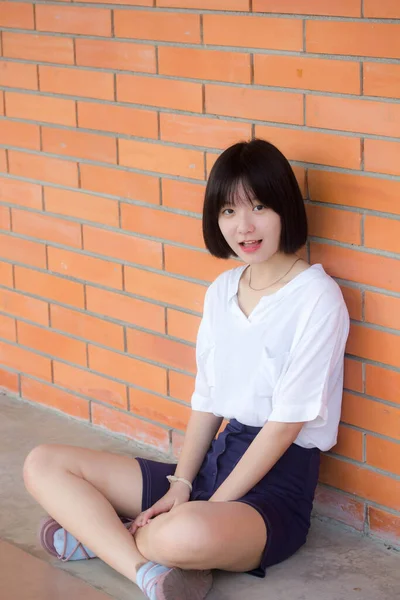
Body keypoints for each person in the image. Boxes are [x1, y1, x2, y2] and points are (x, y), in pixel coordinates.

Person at [23, 139, 350, 600]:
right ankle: (147, 571)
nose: (245, 226)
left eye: (259, 206)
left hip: (276, 488)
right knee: (44, 464)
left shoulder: (317, 298)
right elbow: (208, 401)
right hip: (216, 462)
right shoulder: (222, 290)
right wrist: (180, 485)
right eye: (228, 212)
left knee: (183, 534)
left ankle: (103, 536)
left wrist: (206, 508)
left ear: (285, 210)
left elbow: (282, 429)